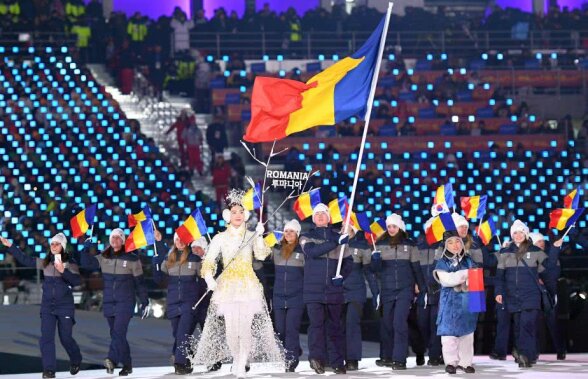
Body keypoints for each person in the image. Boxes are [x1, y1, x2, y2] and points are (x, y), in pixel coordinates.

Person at [190, 190, 283, 378]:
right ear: (228, 216)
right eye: (234, 212)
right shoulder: (220, 238)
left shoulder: (250, 235)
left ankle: (241, 365)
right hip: (227, 287)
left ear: (245, 215)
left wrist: (259, 236)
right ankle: (236, 358)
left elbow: (262, 254)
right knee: (232, 331)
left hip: (248, 285)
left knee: (245, 328)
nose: (238, 215)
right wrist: (209, 277)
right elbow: (208, 261)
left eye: (241, 211)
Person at [1, 233, 82, 379]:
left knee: (65, 338)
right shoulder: (45, 262)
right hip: (47, 307)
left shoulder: (71, 263)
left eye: (57, 244)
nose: (54, 246)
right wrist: (11, 246)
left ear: (62, 246)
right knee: (46, 338)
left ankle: (76, 359)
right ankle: (49, 370)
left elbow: (77, 281)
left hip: (65, 307)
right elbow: (25, 259)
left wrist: (64, 271)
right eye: (52, 244)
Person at [80, 229, 149, 376]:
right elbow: (86, 264)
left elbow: (140, 283)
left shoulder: (132, 258)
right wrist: (85, 248)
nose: (115, 240)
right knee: (117, 335)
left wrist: (145, 301)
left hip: (126, 302)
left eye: (118, 238)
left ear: (123, 241)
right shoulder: (103, 257)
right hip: (109, 302)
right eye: (113, 238)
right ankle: (127, 364)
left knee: (118, 332)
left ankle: (111, 359)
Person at [299, 203, 353, 374]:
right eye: (317, 214)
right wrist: (335, 241)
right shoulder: (306, 236)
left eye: (324, 214)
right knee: (316, 326)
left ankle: (337, 361)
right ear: (313, 218)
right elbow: (313, 252)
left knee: (335, 327)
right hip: (313, 291)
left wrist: (341, 276)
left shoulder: (340, 237)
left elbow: (348, 262)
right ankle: (316, 359)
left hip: (333, 290)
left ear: (329, 218)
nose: (320, 216)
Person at [371, 213, 426, 370]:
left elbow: (416, 268)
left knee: (399, 323)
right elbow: (375, 270)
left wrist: (421, 288)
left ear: (400, 227)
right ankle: (388, 357)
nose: (391, 229)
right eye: (389, 227)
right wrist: (375, 261)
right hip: (387, 289)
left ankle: (400, 359)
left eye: (394, 226)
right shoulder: (380, 244)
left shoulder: (410, 245)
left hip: (405, 289)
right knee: (387, 324)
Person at [495, 220, 551, 368]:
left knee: (527, 324)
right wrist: (498, 292)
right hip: (512, 296)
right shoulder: (505, 252)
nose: (518, 235)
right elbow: (499, 276)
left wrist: (550, 290)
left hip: (531, 295)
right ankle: (524, 353)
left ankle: (525, 355)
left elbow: (547, 271)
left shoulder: (536, 251)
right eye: (515, 233)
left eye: (520, 232)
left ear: (525, 234)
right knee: (519, 326)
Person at [152, 232, 206, 375]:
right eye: (177, 239)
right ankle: (188, 358)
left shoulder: (195, 259)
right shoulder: (169, 258)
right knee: (178, 334)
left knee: (182, 333)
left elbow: (203, 280)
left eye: (182, 239)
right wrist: (155, 264)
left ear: (187, 241)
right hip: (173, 302)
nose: (180, 242)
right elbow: (158, 279)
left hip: (189, 302)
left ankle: (179, 363)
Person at [433, 231, 478, 374]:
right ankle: (450, 362)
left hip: (467, 301)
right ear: (446, 245)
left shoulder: (469, 260)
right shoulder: (442, 262)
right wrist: (465, 274)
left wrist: (464, 276)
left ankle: (466, 362)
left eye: (457, 241)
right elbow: (446, 280)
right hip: (449, 302)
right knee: (448, 335)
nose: (455, 245)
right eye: (450, 242)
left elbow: (476, 278)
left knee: (467, 333)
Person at [271, 219, 305, 372]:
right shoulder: (276, 250)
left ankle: (291, 360)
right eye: (286, 231)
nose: (289, 233)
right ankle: (295, 348)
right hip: (278, 296)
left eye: (292, 231)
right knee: (280, 330)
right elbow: (260, 254)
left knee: (291, 329)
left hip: (296, 296)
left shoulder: (302, 251)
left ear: (297, 234)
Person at [343, 231, 379, 371]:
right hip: (336, 292)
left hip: (356, 292)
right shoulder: (334, 244)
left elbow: (369, 272)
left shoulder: (362, 246)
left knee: (352, 324)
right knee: (336, 325)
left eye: (349, 229)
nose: (345, 230)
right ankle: (336, 357)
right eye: (343, 227)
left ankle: (352, 359)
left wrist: (376, 293)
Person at [529, 232, 566, 360]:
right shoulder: (529, 257)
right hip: (534, 296)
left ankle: (561, 349)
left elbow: (553, 272)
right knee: (535, 325)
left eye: (542, 241)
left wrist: (555, 249)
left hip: (549, 295)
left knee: (553, 324)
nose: (542, 243)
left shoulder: (551, 256)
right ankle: (535, 352)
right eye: (538, 241)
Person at [416, 217, 443, 366]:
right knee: (422, 326)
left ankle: (434, 355)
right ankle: (422, 351)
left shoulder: (442, 247)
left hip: (438, 292)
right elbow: (413, 269)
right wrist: (416, 283)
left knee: (436, 325)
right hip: (422, 293)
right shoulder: (418, 247)